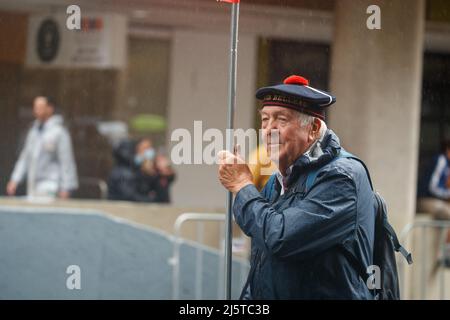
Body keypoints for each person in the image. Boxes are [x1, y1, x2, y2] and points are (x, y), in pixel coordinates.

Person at [218, 75, 375, 299]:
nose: (269, 130)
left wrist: (243, 185)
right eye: (264, 120)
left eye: (281, 120)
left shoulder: (341, 178)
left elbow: (281, 239)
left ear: (313, 128)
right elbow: (263, 263)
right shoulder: (277, 180)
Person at [6, 96, 78, 199]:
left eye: (40, 107)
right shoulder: (33, 131)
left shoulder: (59, 132)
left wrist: (66, 187)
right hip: (33, 186)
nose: (36, 111)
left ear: (49, 108)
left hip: (51, 185)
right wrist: (15, 179)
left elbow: (66, 161)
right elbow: (25, 158)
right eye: (35, 107)